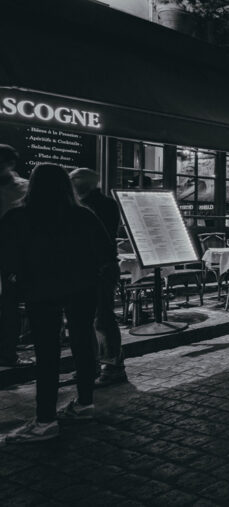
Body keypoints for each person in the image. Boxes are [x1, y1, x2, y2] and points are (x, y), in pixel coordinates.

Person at [1, 164, 116, 443]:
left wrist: (17, 285)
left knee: (47, 354)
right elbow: (106, 251)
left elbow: (7, 258)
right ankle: (84, 403)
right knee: (82, 344)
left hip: (41, 291)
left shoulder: (18, 216)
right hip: (83, 288)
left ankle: (45, 420)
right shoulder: (83, 215)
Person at [69, 168, 126, 387]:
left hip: (101, 267)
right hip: (90, 266)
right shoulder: (85, 203)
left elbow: (96, 239)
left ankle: (113, 366)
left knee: (102, 316)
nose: (71, 183)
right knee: (86, 318)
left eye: (74, 179)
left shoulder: (99, 205)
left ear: (87, 184)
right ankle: (91, 364)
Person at [0, 144, 31, 368]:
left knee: (9, 307)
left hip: (12, 257)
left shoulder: (24, 188)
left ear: (10, 164)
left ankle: (8, 354)